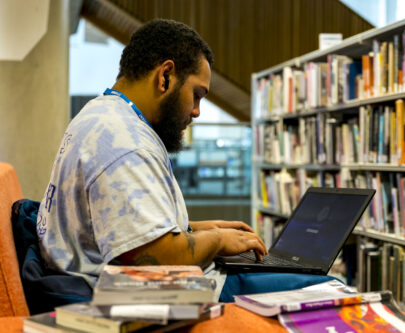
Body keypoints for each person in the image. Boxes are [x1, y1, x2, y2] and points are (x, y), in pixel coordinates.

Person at [37, 18, 333, 302]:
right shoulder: (124, 142)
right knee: (329, 288)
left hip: (114, 283)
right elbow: (150, 261)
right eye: (197, 94)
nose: (197, 111)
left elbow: (119, 226)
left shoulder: (102, 115)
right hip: (161, 292)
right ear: (165, 76)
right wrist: (217, 241)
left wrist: (197, 229)